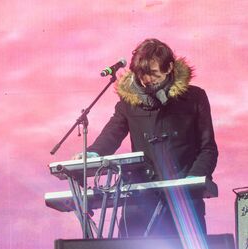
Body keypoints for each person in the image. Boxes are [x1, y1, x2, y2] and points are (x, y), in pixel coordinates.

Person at [76, 38, 218, 237]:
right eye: (141, 74)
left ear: (169, 67)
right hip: (140, 200)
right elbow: (112, 133)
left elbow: (208, 148)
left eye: (153, 73)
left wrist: (192, 182)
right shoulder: (128, 103)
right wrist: (92, 153)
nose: (146, 80)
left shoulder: (195, 98)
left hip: (184, 201)